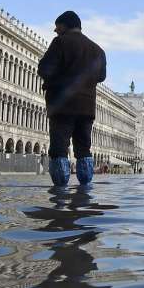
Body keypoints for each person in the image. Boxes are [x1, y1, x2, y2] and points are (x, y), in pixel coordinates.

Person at [38, 11, 107, 188]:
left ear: (66, 25)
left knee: (59, 149)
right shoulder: (98, 50)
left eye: (58, 26)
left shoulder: (61, 42)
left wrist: (57, 79)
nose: (55, 30)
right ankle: (84, 191)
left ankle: (60, 194)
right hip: (86, 107)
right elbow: (101, 77)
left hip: (63, 105)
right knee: (84, 149)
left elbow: (44, 69)